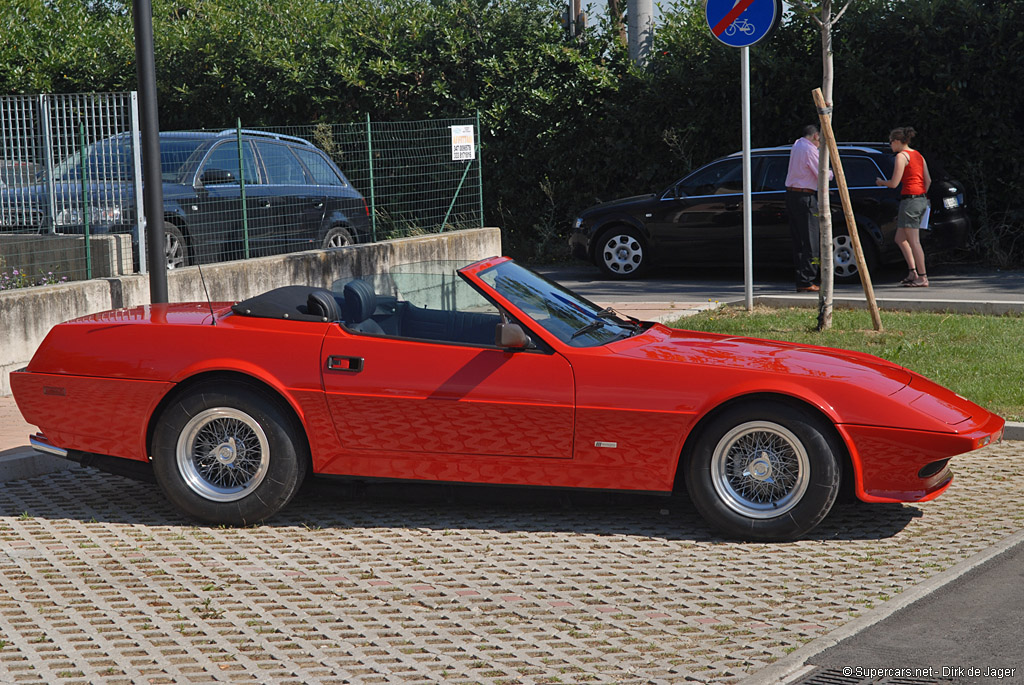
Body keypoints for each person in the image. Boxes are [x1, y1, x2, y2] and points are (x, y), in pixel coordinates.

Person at [876, 126, 932, 287]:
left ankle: (922, 276)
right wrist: (921, 196)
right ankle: (912, 271)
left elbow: (894, 183)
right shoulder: (918, 155)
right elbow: (928, 181)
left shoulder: (902, 156)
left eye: (891, 142)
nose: (890, 146)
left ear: (897, 141)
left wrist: (881, 182)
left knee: (913, 241)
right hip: (920, 199)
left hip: (910, 200)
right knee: (900, 238)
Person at [784, 124, 830, 292]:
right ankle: (807, 280)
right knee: (812, 241)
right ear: (816, 136)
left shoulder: (797, 145)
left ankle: (801, 277)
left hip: (791, 195)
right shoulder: (809, 149)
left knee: (799, 241)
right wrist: (832, 173)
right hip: (805, 197)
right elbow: (822, 172)